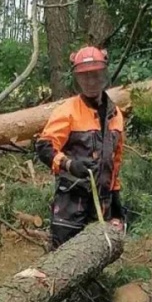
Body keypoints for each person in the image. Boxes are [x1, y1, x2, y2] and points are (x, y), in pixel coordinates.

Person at [33, 45, 125, 250]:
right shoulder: (67, 111)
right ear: (78, 79)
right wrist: (68, 164)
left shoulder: (115, 114)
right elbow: (44, 147)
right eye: (85, 77)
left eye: (95, 75)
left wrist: (116, 203)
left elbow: (115, 162)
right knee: (64, 256)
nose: (91, 82)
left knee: (97, 255)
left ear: (104, 75)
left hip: (101, 203)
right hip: (70, 202)